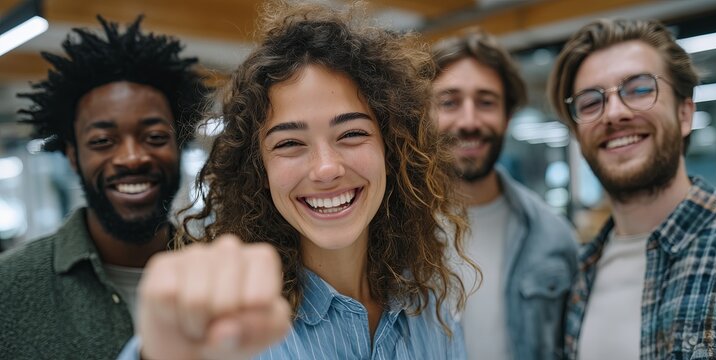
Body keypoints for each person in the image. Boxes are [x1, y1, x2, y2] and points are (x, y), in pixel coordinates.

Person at [118, 2, 478, 360]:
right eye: (289, 143)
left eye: (351, 133)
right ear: (258, 171)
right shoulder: (238, 328)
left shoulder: (430, 306)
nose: (325, 168)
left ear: (392, 149)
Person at [0, 16, 210, 359]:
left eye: (155, 137)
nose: (131, 157)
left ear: (179, 145)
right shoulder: (9, 289)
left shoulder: (223, 279)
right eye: (102, 140)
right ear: (72, 156)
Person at [548, 18, 716, 359]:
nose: (613, 113)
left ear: (685, 114)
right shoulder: (579, 275)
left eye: (639, 89)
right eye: (590, 102)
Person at [431, 30, 578, 359]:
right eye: (449, 102)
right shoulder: (390, 232)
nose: (469, 121)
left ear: (507, 116)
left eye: (486, 102)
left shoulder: (553, 237)